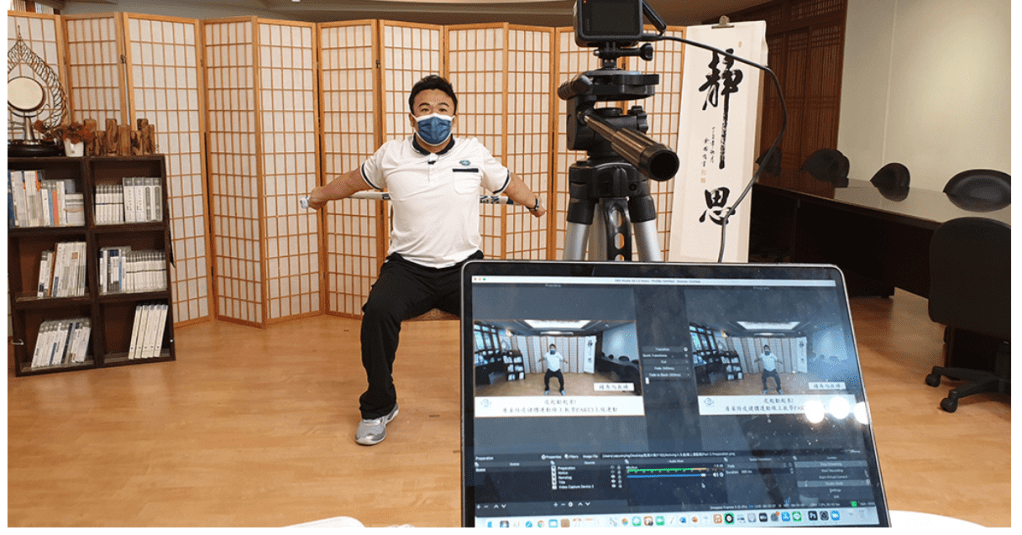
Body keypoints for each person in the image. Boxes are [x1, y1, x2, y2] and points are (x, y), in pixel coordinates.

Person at [306, 75, 547, 445]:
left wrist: (534, 203)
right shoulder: (391, 154)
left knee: (501, 316)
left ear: (454, 116)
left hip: (463, 267)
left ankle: (491, 402)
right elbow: (353, 181)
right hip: (408, 268)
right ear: (412, 117)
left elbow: (508, 182)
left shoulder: (473, 151)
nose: (434, 116)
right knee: (377, 313)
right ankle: (379, 406)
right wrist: (321, 195)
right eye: (425, 109)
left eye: (442, 109)